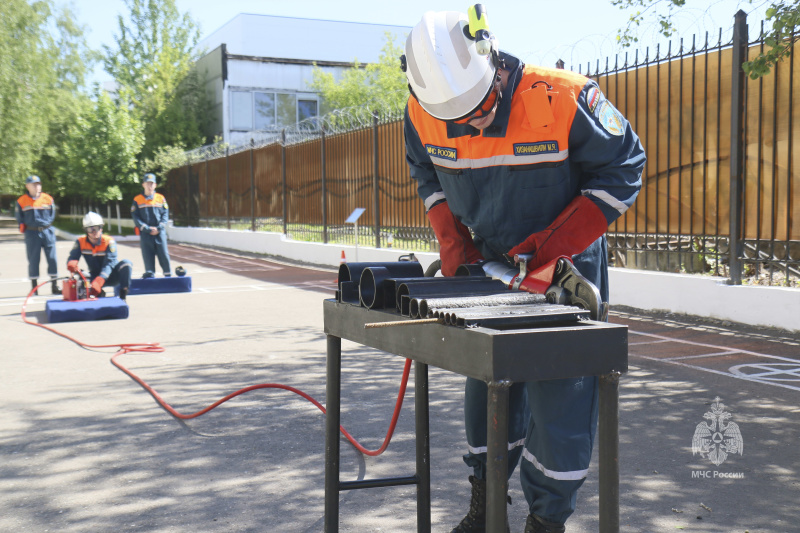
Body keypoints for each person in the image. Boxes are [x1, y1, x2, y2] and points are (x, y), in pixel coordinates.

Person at [401, 7, 645, 533]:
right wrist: (451, 237)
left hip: (562, 272)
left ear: (494, 63)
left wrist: (555, 248)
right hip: (486, 269)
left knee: (561, 399)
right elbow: (425, 169)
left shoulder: (564, 98)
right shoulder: (422, 111)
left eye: (481, 108)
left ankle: (545, 520)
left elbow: (625, 165)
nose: (472, 124)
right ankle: (486, 504)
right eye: (459, 120)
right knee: (486, 385)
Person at [67, 212, 132, 301]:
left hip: (111, 275)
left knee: (126, 264)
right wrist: (71, 263)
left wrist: (101, 279)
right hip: (93, 275)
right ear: (86, 230)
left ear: (101, 228)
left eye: (97, 228)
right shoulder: (80, 242)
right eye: (91, 229)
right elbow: (73, 257)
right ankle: (98, 293)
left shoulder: (109, 241)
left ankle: (123, 295)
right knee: (79, 275)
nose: (94, 232)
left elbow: (110, 263)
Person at [15, 175, 61, 296]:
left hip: (47, 231)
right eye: (34, 184)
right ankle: (34, 288)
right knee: (33, 260)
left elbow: (52, 215)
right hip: (32, 233)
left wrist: (46, 225)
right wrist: (22, 225)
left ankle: (54, 285)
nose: (37, 186)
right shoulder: (21, 201)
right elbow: (19, 217)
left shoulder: (48, 199)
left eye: (38, 184)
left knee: (52, 259)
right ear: (27, 186)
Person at [131, 173, 171, 277]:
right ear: (143, 184)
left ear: (155, 185)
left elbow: (165, 214)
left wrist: (160, 227)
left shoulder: (160, 198)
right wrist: (146, 229)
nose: (150, 186)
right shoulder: (137, 199)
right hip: (146, 233)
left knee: (164, 255)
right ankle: (150, 276)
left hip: (159, 233)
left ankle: (168, 276)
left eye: (152, 184)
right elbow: (136, 217)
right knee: (148, 256)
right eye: (147, 183)